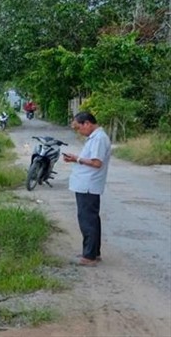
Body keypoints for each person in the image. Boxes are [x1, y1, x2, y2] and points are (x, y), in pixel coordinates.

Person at [62, 111, 112, 267]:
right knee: (92, 219)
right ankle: (93, 252)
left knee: (87, 221)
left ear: (87, 124)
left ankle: (89, 256)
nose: (79, 131)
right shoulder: (96, 138)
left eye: (79, 127)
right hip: (87, 185)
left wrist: (76, 159)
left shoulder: (99, 139)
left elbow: (97, 163)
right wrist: (76, 159)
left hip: (88, 186)